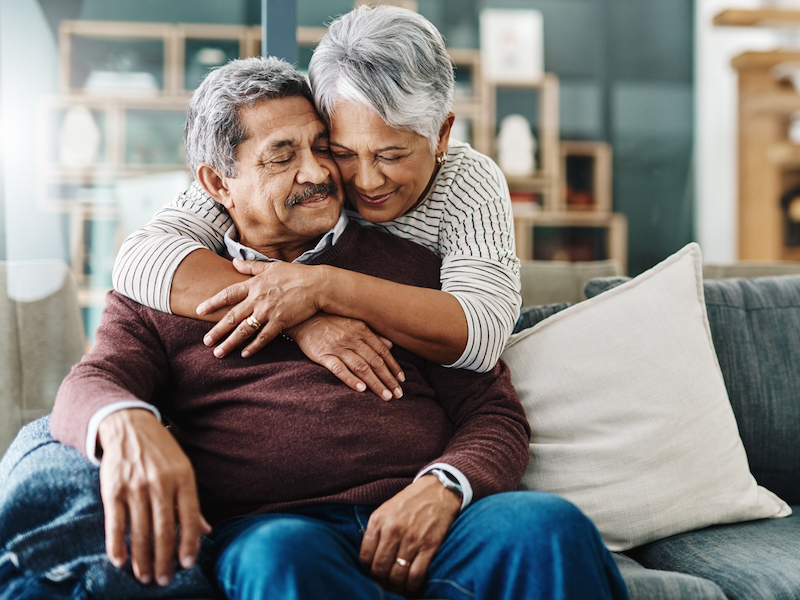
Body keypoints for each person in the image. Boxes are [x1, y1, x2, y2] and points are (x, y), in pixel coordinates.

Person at [42, 57, 627, 600]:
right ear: (218, 185)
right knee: (280, 556)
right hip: (280, 529)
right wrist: (124, 425)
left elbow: (493, 412)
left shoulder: (409, 269)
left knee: (546, 526)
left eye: (322, 147)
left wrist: (444, 487)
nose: (318, 172)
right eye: (281, 156)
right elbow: (87, 385)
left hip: (430, 519)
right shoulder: (163, 290)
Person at [112, 5, 521, 403]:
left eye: (391, 156)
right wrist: (303, 317)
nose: (365, 181)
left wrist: (323, 287)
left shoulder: (468, 182)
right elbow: (140, 259)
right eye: (341, 151)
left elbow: (482, 335)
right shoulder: (292, 175)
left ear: (442, 134)